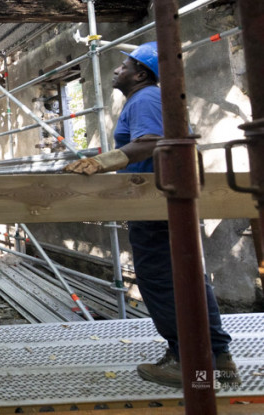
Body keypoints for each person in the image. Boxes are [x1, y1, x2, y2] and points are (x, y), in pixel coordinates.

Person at [64, 41, 240, 389]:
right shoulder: (153, 99)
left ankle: (187, 362)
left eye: (124, 66)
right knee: (188, 277)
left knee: (161, 282)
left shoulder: (145, 99)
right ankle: (217, 359)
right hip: (168, 201)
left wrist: (104, 161)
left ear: (140, 73)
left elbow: (150, 142)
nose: (117, 70)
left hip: (156, 204)